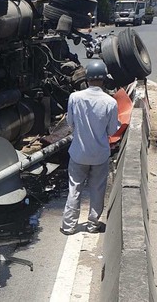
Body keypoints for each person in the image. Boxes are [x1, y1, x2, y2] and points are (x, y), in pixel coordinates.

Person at [60, 60, 120, 235]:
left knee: (74, 188)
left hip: (78, 153)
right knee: (97, 189)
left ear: (87, 79)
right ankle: (93, 224)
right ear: (103, 80)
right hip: (100, 155)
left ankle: (69, 226)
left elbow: (70, 123)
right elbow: (112, 130)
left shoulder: (74, 97)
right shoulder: (110, 102)